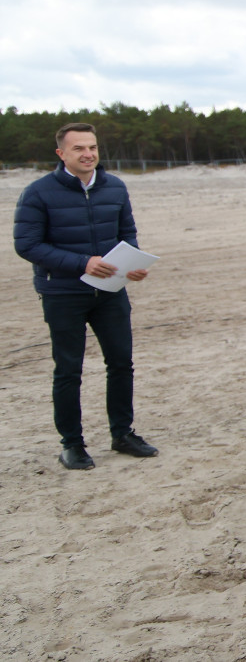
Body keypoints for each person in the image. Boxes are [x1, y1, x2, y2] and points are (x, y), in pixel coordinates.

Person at [13, 122, 158, 470]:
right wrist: (84, 263)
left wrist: (133, 264)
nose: (88, 154)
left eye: (92, 147)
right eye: (78, 148)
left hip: (110, 292)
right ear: (61, 153)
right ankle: (72, 445)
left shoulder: (115, 187)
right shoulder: (38, 193)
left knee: (121, 363)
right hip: (63, 293)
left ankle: (122, 434)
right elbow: (27, 245)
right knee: (68, 370)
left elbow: (126, 233)